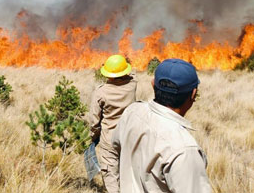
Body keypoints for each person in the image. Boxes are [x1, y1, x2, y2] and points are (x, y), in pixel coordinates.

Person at [111, 58, 212, 193]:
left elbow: (115, 149)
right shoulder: (184, 149)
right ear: (193, 94)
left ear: (153, 85)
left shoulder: (132, 112)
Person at [88, 54, 137, 193]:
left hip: (109, 139)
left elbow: (94, 120)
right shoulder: (133, 85)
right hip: (129, 137)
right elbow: (132, 75)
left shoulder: (101, 92)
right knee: (127, 172)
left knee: (110, 175)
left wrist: (93, 136)